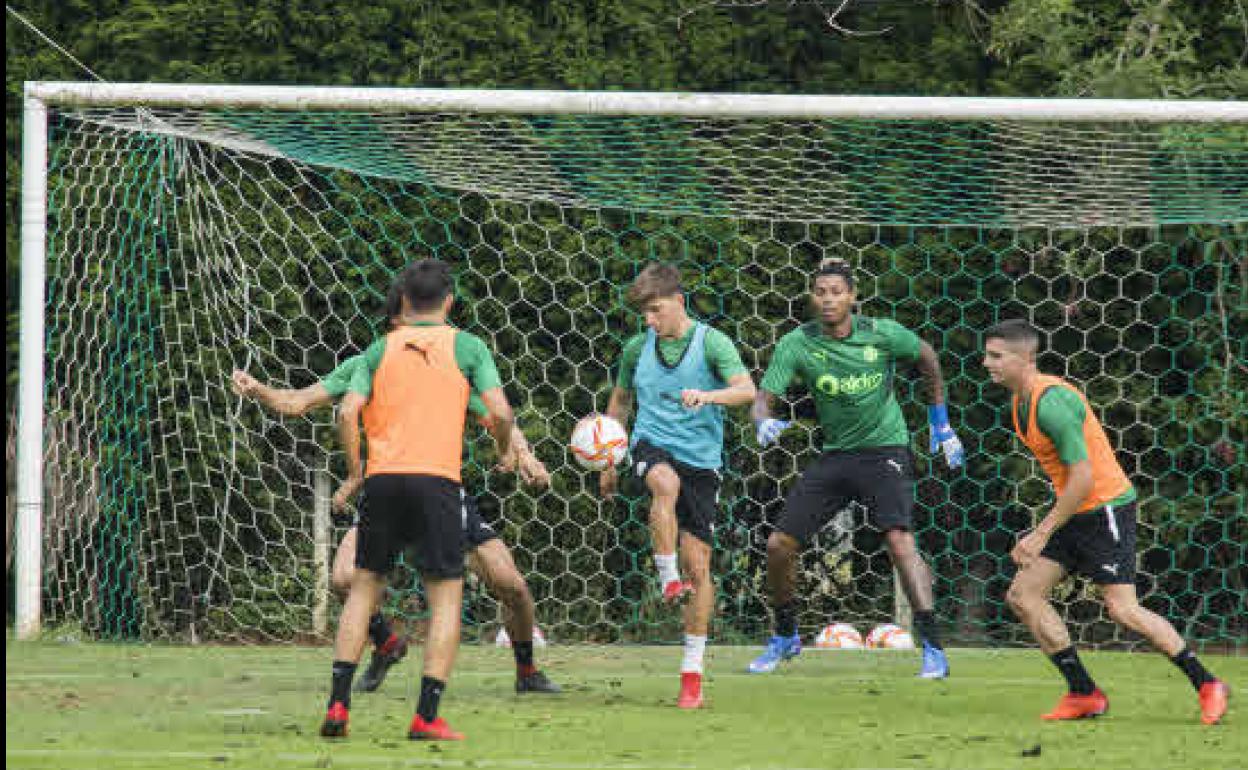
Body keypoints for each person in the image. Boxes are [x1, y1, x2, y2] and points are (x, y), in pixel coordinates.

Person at [232, 283, 560, 698]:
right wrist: (258, 389)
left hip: (438, 490)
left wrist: (525, 455)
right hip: (388, 488)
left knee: (509, 583)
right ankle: (386, 644)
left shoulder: (443, 362)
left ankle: (527, 669)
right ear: (396, 322)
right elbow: (298, 402)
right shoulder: (369, 362)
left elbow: (493, 415)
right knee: (343, 579)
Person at [983, 319, 1229, 724]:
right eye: (987, 354)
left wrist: (1040, 532)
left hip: (1104, 509)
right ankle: (1083, 694)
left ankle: (1207, 684)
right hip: (1075, 511)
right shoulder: (1019, 403)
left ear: (1025, 358)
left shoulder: (1051, 404)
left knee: (1122, 609)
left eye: (996, 355)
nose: (986, 363)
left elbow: (1084, 478)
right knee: (1023, 595)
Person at [322, 257, 514, 741]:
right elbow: (500, 410)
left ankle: (339, 708)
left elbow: (347, 412)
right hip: (436, 482)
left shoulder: (378, 350)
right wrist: (503, 446)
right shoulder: (468, 346)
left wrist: (355, 470)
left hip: (384, 482)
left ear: (403, 302)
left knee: (364, 588)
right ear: (448, 302)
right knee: (445, 595)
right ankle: (427, 716)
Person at [749, 258, 961, 679]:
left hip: (886, 450)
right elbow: (763, 397)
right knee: (778, 546)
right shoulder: (798, 343)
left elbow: (927, 358)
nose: (828, 300)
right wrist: (761, 420)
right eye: (820, 292)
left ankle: (933, 647)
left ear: (852, 296)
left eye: (836, 292)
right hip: (837, 455)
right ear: (812, 297)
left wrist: (941, 423)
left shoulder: (882, 334)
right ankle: (786, 634)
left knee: (900, 541)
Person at [599, 262, 757, 709]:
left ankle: (692, 675)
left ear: (678, 302)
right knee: (661, 482)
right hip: (653, 444)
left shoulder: (713, 343)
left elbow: (746, 390)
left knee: (699, 567)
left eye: (656, 310)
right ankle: (666, 579)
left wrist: (708, 397)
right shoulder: (636, 349)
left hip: (703, 462)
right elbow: (622, 399)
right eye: (644, 314)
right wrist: (609, 456)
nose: (649, 321)